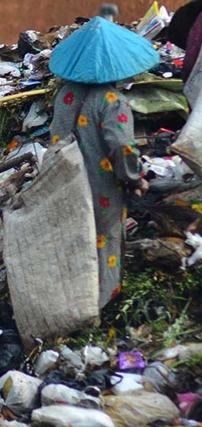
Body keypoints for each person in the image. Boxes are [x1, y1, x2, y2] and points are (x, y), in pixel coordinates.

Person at [48, 16, 158, 308]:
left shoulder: (65, 95)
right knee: (104, 244)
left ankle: (70, 306)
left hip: (64, 184)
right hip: (101, 191)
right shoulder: (113, 100)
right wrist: (135, 178)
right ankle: (99, 309)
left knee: (74, 245)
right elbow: (121, 145)